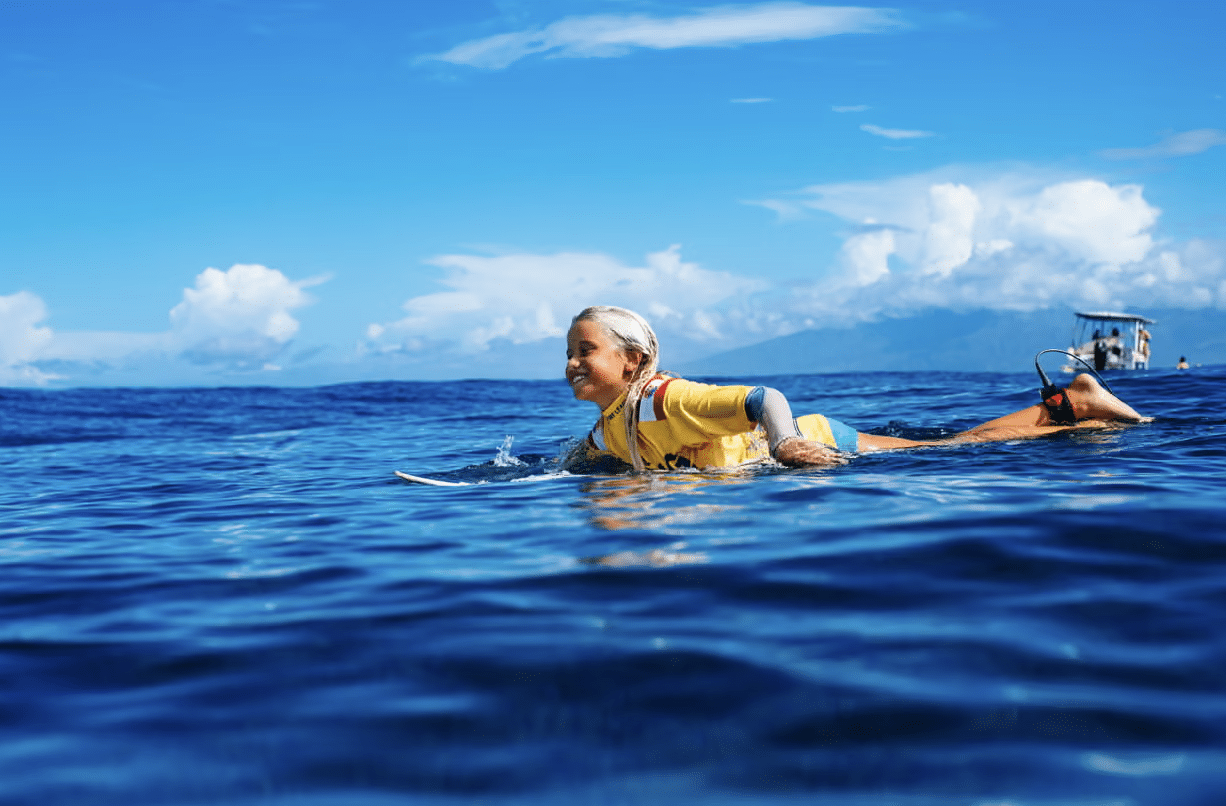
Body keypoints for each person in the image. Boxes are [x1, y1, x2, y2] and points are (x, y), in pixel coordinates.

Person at [564, 305, 1149, 471]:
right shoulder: (613, 425)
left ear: (633, 360)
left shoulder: (667, 399)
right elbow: (586, 456)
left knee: (957, 449)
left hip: (819, 439)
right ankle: (1076, 410)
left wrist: (785, 444)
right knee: (953, 445)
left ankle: (1075, 402)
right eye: (569, 352)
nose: (571, 363)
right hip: (798, 446)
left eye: (585, 350)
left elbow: (764, 399)